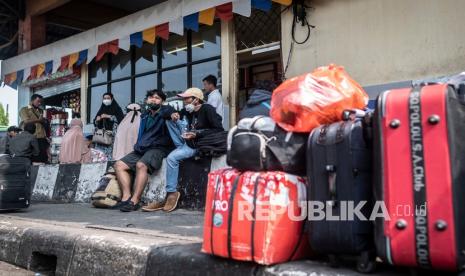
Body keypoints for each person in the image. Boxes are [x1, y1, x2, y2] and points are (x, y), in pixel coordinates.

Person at [142, 87, 223, 213]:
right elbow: (165, 112)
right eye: (183, 98)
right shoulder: (187, 111)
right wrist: (172, 114)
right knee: (170, 120)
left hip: (198, 145)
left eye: (187, 98)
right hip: (185, 142)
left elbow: (219, 130)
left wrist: (197, 134)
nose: (184, 101)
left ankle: (171, 193)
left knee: (172, 158)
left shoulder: (207, 109)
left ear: (196, 100)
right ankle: (167, 196)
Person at [114, 89, 175, 212]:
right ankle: (126, 198)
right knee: (119, 165)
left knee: (141, 165)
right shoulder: (144, 115)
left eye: (157, 98)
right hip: (143, 147)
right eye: (151, 97)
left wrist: (173, 113)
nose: (154, 99)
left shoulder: (165, 112)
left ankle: (135, 201)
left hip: (159, 148)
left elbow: (170, 111)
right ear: (147, 100)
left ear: (162, 101)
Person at [93, 92, 125, 161]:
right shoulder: (101, 109)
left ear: (112, 99)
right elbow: (95, 123)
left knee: (109, 156)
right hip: (100, 138)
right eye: (104, 98)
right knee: (99, 156)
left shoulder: (117, 108)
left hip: (111, 137)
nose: (106, 100)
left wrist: (108, 116)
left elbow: (121, 120)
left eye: (108, 98)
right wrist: (97, 120)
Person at [19, 94, 49, 163]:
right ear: (32, 101)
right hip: (33, 137)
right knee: (34, 159)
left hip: (42, 138)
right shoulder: (24, 109)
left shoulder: (41, 111)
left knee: (43, 159)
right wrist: (39, 120)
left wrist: (45, 121)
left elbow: (43, 121)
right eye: (38, 101)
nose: (39, 103)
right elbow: (26, 121)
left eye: (40, 102)